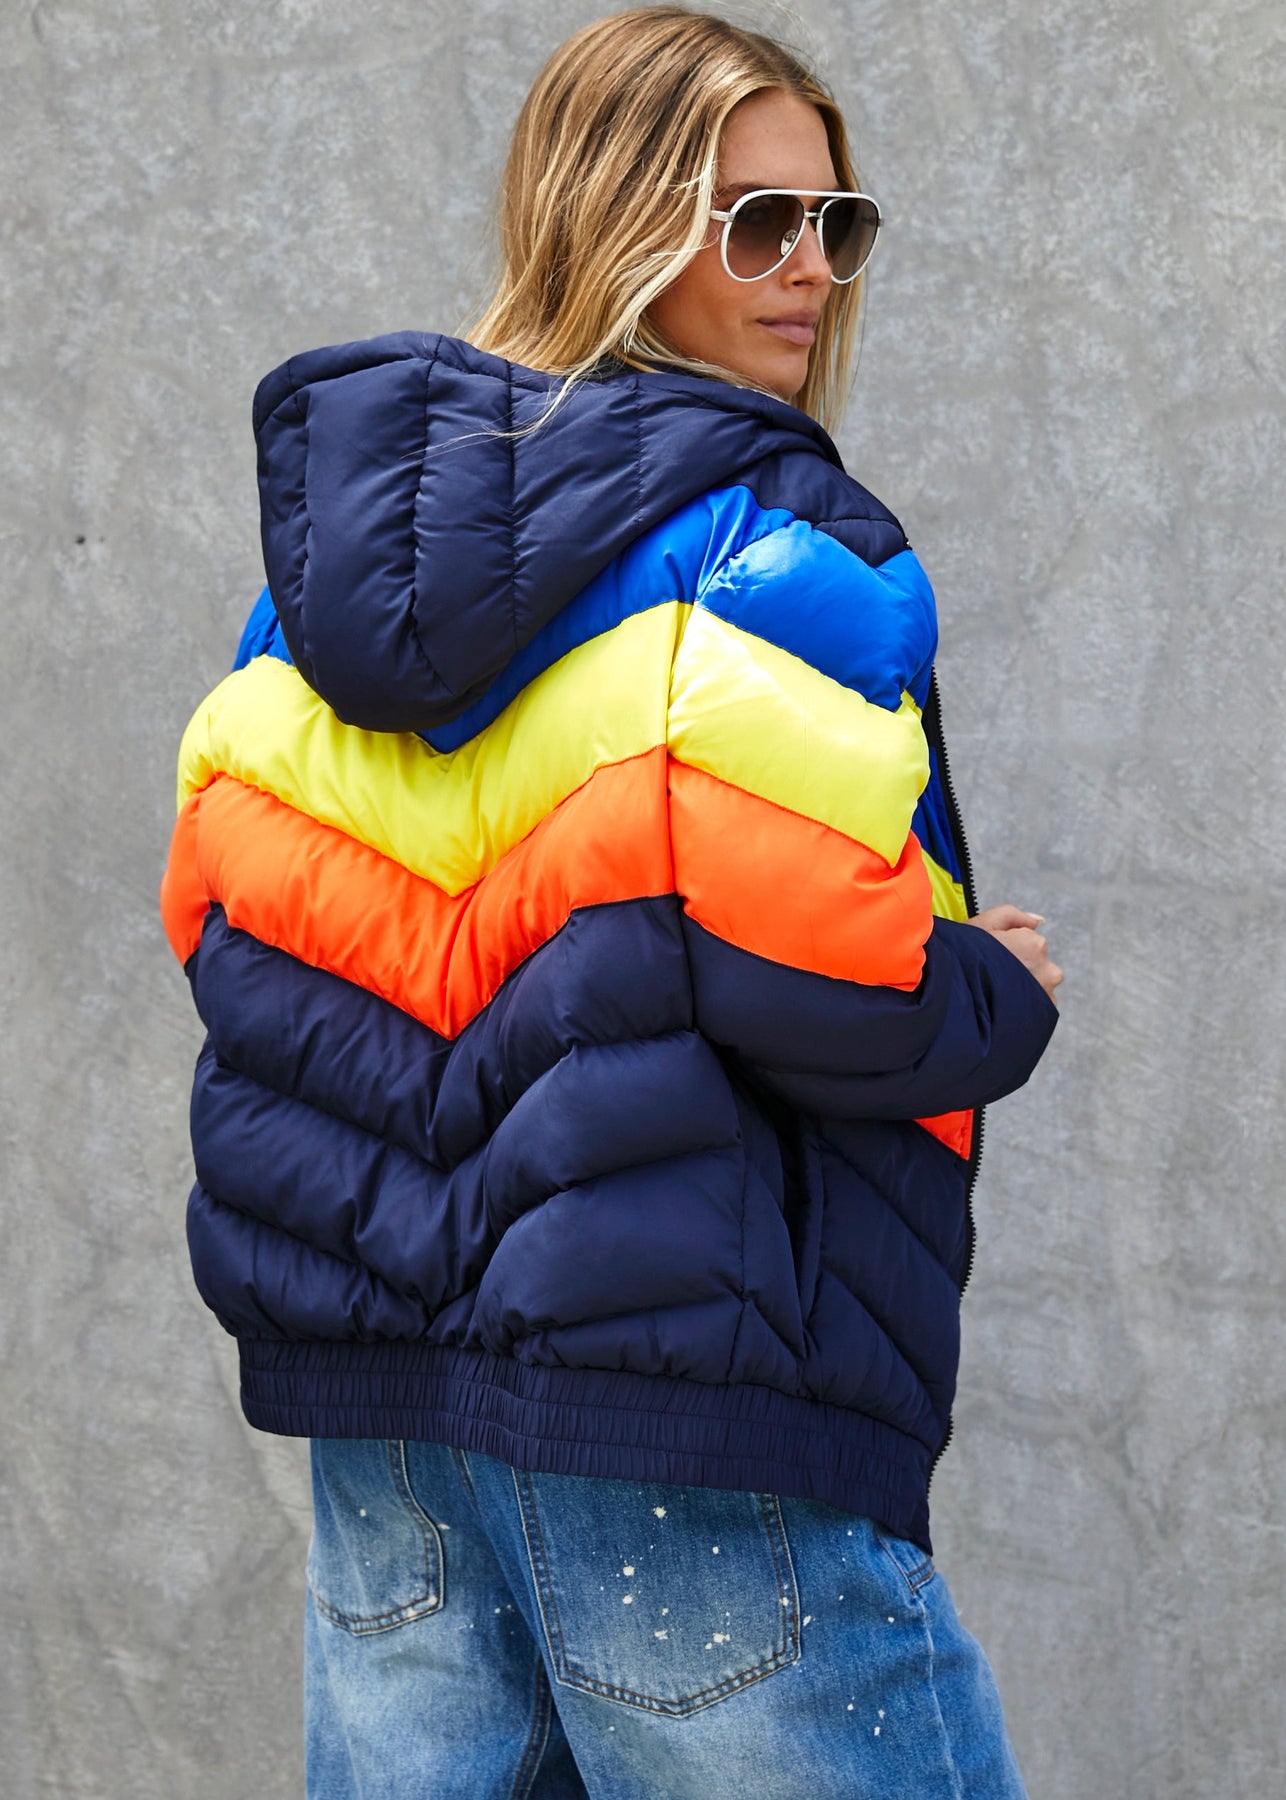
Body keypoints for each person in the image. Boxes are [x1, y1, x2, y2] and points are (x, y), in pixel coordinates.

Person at [160, 8, 1062, 1795]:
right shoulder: (769, 543)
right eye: (757, 222)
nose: (810, 271)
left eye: (836, 222)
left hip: (397, 1442)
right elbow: (826, 981)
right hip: (691, 1418)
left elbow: (230, 926)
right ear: (616, 221)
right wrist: (988, 987)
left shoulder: (319, 587)